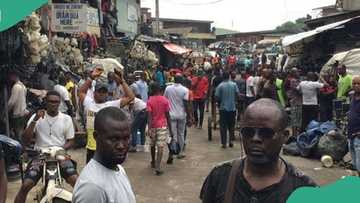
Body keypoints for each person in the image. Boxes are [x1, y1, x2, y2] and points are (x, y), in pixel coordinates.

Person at [200, 99, 317, 203]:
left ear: (285, 136)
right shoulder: (219, 176)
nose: (255, 139)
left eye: (266, 133)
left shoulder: (304, 189)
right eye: (248, 132)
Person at [15, 91, 78, 203]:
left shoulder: (66, 118)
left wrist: (60, 149)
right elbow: (25, 139)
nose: (54, 104)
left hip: (60, 153)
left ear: (59, 103)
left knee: (76, 182)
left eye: (56, 102)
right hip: (40, 155)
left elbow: (71, 141)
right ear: (46, 102)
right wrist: (35, 120)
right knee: (26, 185)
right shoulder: (37, 116)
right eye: (51, 101)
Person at [72, 107, 136, 203]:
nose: (121, 146)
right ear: (96, 137)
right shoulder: (93, 187)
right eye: (114, 139)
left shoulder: (118, 168)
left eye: (126, 138)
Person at [79, 66, 135, 163]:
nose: (102, 94)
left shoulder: (111, 105)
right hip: (91, 148)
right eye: (99, 91)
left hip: (106, 148)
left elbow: (130, 97)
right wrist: (91, 77)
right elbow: (81, 92)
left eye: (104, 92)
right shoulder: (89, 103)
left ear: (107, 93)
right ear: (94, 93)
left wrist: (122, 82)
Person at [147, 82, 173, 175]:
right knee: (161, 146)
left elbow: (149, 116)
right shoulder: (165, 100)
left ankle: (153, 161)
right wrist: (170, 129)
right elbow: (168, 115)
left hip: (153, 126)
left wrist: (149, 128)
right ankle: (158, 166)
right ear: (159, 90)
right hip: (162, 126)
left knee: (152, 144)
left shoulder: (149, 100)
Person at [164, 75, 191, 160]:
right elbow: (186, 104)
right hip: (181, 115)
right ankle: (180, 152)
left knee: (172, 134)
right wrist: (189, 116)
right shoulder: (185, 90)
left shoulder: (168, 88)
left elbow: (165, 100)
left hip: (171, 115)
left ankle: (172, 152)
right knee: (181, 134)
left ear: (174, 80)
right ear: (182, 80)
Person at [215, 72, 239, 148]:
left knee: (223, 126)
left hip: (223, 109)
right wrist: (235, 101)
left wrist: (219, 102)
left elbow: (217, 97)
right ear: (229, 77)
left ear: (222, 77)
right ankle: (231, 141)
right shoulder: (234, 84)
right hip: (232, 108)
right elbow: (237, 94)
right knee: (232, 125)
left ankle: (224, 143)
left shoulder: (220, 86)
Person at [7, 71, 28, 142]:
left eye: (11, 76)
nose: (10, 78)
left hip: (17, 114)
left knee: (17, 134)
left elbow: (12, 102)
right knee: (20, 133)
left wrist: (6, 111)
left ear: (14, 76)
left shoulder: (16, 87)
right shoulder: (23, 86)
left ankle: (19, 149)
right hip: (23, 112)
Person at [348, 76, 360, 176]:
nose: (356, 85)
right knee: (355, 164)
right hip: (351, 134)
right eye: (354, 83)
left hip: (358, 135)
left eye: (358, 84)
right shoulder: (352, 98)